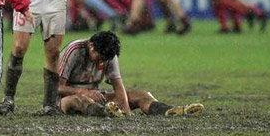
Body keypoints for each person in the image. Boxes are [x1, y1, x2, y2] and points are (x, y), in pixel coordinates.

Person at [58, 31, 204, 117]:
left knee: (142, 95)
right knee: (80, 99)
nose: (100, 62)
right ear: (91, 46)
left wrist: (126, 110)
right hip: (68, 100)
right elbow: (56, 87)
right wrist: (83, 91)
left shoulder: (109, 54)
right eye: (99, 58)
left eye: (104, 60)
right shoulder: (74, 50)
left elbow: (118, 86)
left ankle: (169, 110)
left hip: (95, 97)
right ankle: (107, 112)